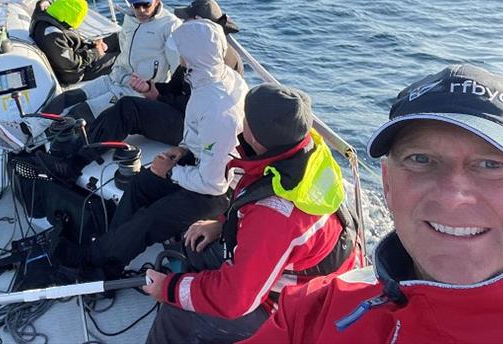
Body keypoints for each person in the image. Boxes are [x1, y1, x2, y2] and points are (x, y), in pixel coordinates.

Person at [242, 64, 503, 344]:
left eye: (491, 164)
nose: (452, 197)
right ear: (388, 185)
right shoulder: (312, 313)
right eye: (420, 159)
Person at [142, 83, 360, 344]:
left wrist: (168, 288)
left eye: (245, 117)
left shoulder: (275, 215)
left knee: (176, 314)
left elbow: (236, 299)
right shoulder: (304, 149)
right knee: (194, 250)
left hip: (293, 306)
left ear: (254, 138)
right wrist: (222, 225)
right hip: (303, 271)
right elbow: (255, 200)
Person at [51, 19, 248, 275]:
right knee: (140, 184)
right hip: (199, 162)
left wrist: (170, 172)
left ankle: (95, 260)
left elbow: (215, 183)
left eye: (183, 53)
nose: (180, 59)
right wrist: (184, 149)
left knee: (151, 218)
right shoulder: (210, 79)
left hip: (216, 192)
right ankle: (109, 254)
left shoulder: (219, 109)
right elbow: (197, 130)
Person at [23, 0, 181, 138]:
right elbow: (122, 40)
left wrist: (165, 99)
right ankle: (31, 128)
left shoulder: (170, 26)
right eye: (136, 5)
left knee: (80, 112)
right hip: (115, 77)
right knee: (67, 97)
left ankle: (44, 141)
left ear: (156, 1)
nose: (140, 10)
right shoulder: (130, 18)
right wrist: (102, 44)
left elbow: (178, 68)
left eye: (146, 5)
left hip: (136, 89)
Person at [88, 0, 242, 146]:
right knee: (126, 105)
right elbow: (177, 86)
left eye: (187, 21)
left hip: (195, 129)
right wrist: (150, 88)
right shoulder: (199, 49)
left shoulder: (220, 61)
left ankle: (80, 154)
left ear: (199, 22)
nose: (183, 24)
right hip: (187, 115)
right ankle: (86, 140)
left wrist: (160, 97)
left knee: (128, 109)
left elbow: (198, 105)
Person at [29, 0, 116, 86]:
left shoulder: (41, 14)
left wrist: (94, 46)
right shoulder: (54, 38)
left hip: (77, 51)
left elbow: (44, 1)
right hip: (77, 72)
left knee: (116, 38)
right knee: (118, 58)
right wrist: (95, 52)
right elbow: (72, 64)